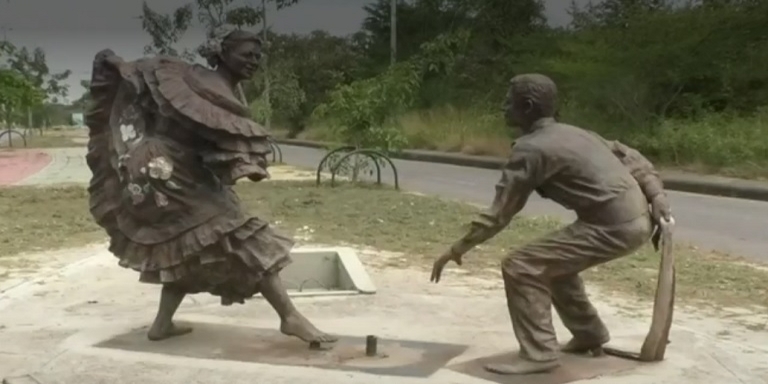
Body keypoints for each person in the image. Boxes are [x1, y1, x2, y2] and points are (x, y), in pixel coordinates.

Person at [84, 29, 337, 344]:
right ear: (224, 53)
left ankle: (161, 325)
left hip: (159, 166)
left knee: (186, 243)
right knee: (245, 236)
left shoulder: (189, 75)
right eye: (246, 55)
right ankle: (289, 316)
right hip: (168, 170)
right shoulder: (209, 86)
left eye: (257, 56)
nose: (253, 62)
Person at [430, 74, 671, 375]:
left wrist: (457, 248)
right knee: (552, 264)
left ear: (527, 106)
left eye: (509, 101)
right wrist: (656, 196)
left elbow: (499, 214)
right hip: (634, 220)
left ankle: (539, 353)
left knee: (521, 265)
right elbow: (633, 159)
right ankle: (589, 334)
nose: (503, 107)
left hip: (614, 227)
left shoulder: (531, 150)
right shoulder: (577, 133)